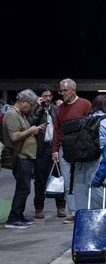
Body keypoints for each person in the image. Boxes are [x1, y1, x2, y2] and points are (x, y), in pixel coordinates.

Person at [51, 78, 92, 223]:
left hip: (82, 150)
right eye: (60, 91)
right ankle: (74, 213)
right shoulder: (60, 109)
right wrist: (54, 151)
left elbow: (92, 125)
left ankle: (85, 210)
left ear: (73, 90)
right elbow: (56, 130)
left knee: (82, 181)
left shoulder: (85, 104)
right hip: (64, 150)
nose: (62, 93)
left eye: (65, 90)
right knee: (68, 182)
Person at [3, 90, 46, 229]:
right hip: (20, 157)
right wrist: (31, 131)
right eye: (31, 105)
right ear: (23, 101)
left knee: (24, 188)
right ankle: (13, 219)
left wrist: (35, 129)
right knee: (23, 188)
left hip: (25, 157)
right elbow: (14, 136)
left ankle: (19, 215)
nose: (32, 108)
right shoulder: (11, 114)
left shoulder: (20, 115)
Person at [28, 84, 67, 219]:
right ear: (40, 97)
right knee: (40, 179)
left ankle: (61, 207)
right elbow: (29, 123)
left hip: (55, 146)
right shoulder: (34, 109)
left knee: (58, 177)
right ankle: (39, 208)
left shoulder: (56, 109)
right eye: (45, 96)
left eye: (50, 96)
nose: (48, 98)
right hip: (41, 148)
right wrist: (38, 108)